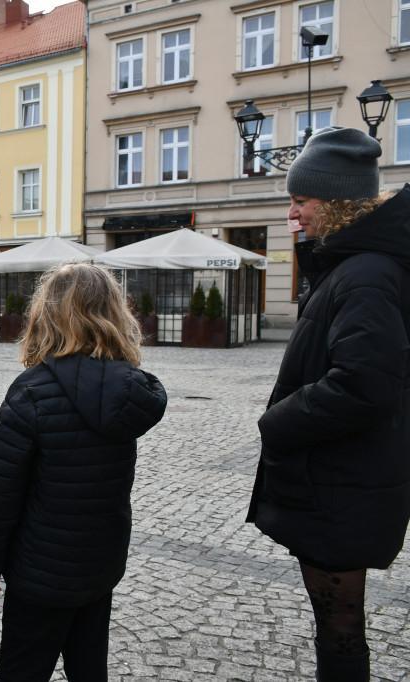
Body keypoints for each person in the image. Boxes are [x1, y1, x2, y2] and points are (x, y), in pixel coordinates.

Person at [246, 127, 410, 682]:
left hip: (344, 485)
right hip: (343, 481)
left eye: (300, 201)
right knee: (336, 623)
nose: (293, 214)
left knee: (340, 626)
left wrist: (278, 421)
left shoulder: (365, 274)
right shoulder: (354, 266)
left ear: (337, 203)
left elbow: (365, 385)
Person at [0, 263, 167, 682]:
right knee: (89, 666)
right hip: (99, 564)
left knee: (22, 670)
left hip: (39, 572)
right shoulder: (130, 389)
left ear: (48, 314)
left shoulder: (31, 392)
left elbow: (1, 490)